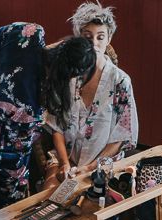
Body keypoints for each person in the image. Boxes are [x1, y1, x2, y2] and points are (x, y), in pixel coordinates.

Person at [0, 23, 96, 210]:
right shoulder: (32, 108)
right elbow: (17, 157)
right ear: (71, 76)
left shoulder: (28, 32)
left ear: (63, 43)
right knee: (11, 209)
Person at [43, 2, 138, 188]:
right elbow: (57, 126)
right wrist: (65, 163)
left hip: (103, 163)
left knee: (94, 208)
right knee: (50, 198)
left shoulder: (120, 81)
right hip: (66, 159)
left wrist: (90, 168)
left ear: (109, 38)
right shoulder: (68, 73)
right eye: (87, 37)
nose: (94, 43)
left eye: (100, 37)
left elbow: (121, 136)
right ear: (79, 38)